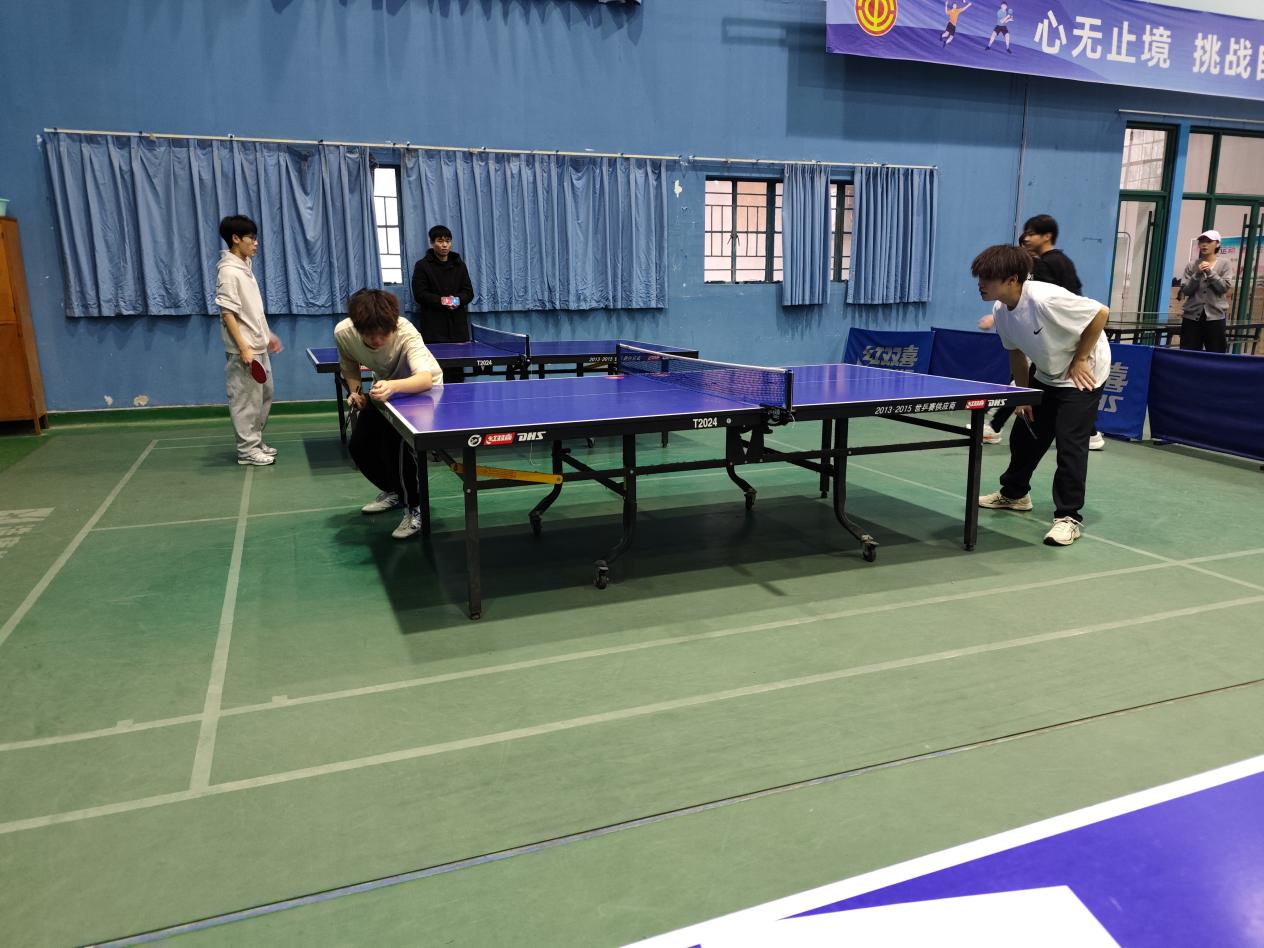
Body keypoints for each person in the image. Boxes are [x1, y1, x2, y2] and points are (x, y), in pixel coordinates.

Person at [972, 244, 1110, 547]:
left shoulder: (1045, 298)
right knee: (1026, 434)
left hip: (1082, 373)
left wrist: (1081, 359)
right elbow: (1016, 354)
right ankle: (1014, 494)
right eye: (979, 277)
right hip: (1047, 372)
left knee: (1070, 443)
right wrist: (1023, 396)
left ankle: (1068, 517)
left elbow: (1100, 313)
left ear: (1012, 279)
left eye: (987, 278)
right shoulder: (1001, 310)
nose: (980, 284)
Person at [981, 214, 1104, 450]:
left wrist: (1080, 357)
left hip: (1064, 334)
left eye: (1031, 233)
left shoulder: (1053, 264)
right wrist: (1003, 314)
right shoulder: (1039, 264)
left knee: (1061, 398)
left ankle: (995, 426)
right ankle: (1090, 432)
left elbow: (1085, 306)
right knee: (1028, 384)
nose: (1026, 238)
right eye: (1024, 235)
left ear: (1047, 236)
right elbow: (1019, 304)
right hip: (1047, 340)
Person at [336, 288, 444, 540]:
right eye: (370, 335)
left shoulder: (406, 332)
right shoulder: (344, 333)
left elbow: (425, 379)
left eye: (383, 333)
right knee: (359, 446)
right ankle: (394, 491)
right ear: (357, 328)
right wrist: (355, 391)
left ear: (392, 325)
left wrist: (393, 386)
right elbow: (349, 365)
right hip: (384, 389)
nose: (377, 340)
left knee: (397, 448)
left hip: (420, 390)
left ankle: (416, 508)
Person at [216, 215, 283, 466]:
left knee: (264, 395)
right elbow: (228, 314)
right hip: (244, 351)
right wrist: (244, 348)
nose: (256, 243)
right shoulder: (228, 272)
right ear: (235, 239)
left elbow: (253, 311)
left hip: (258, 345)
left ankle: (255, 441)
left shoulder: (245, 267)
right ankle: (247, 450)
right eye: (251, 238)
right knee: (245, 401)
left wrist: (267, 335)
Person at [410, 224, 475, 383]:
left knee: (457, 374)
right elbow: (420, 294)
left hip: (457, 329)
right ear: (432, 243)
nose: (444, 245)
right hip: (434, 329)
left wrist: (457, 300)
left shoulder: (459, 264)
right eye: (440, 241)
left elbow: (468, 292)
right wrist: (443, 301)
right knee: (437, 373)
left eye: (448, 241)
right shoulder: (422, 266)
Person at [1178, 229, 1234, 354]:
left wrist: (1210, 272)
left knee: (1216, 354)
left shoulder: (1225, 264)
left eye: (1209, 241)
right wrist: (1197, 274)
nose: (1204, 244)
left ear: (1217, 244)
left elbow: (1223, 288)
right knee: (1188, 353)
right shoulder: (1192, 265)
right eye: (1201, 241)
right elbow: (1186, 290)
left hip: (1215, 317)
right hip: (1191, 317)